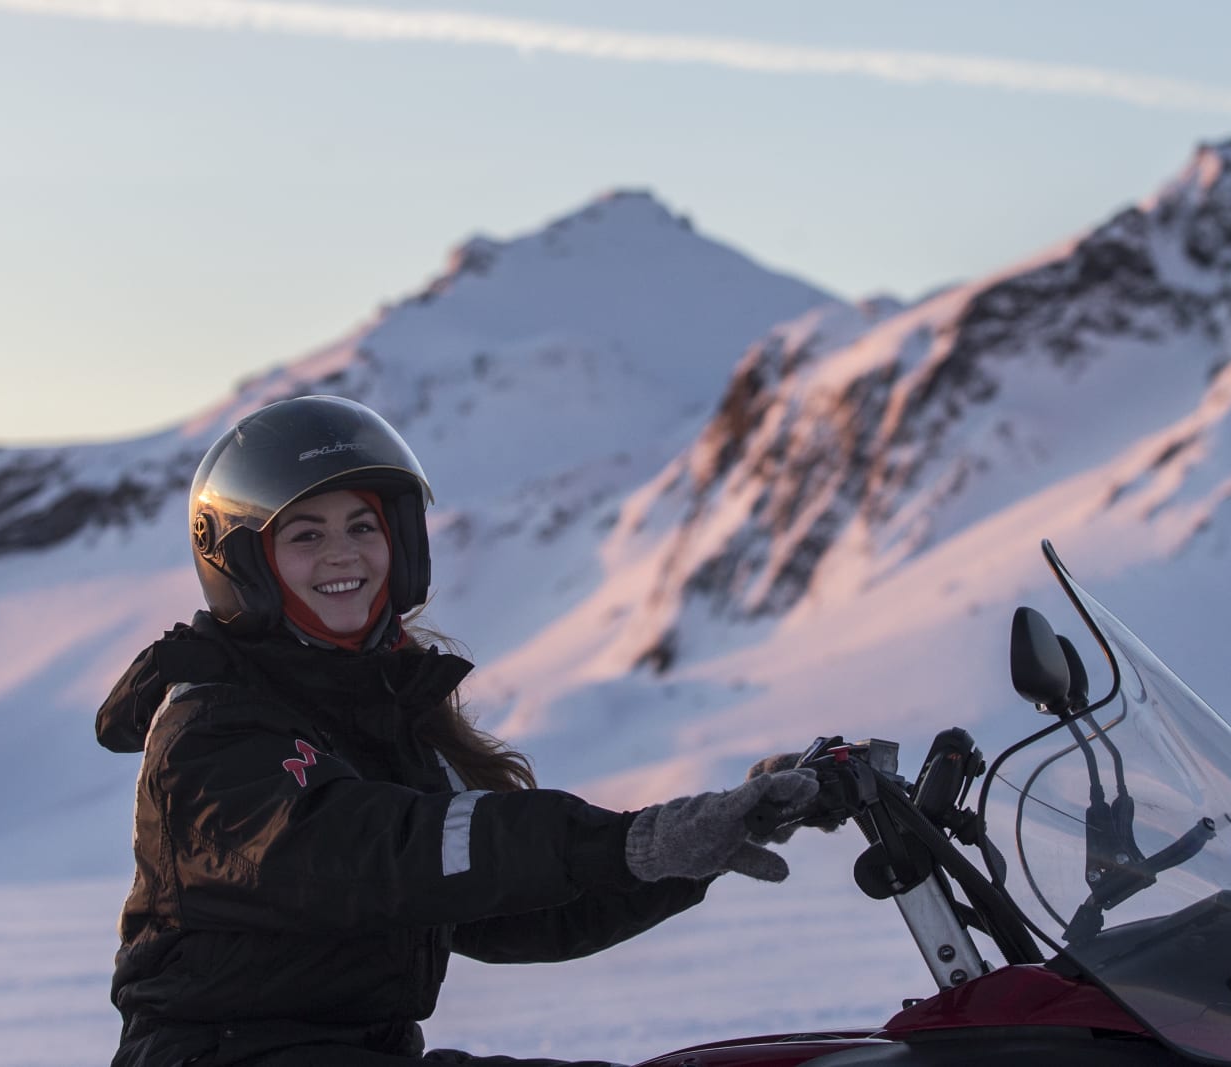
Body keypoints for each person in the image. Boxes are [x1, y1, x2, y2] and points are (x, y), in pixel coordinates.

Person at [95, 395, 818, 1067]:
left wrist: (689, 846)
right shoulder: (213, 727)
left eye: (363, 526)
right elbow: (378, 851)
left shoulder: (372, 712)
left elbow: (511, 908)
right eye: (306, 534)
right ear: (243, 560)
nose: (342, 554)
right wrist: (621, 840)